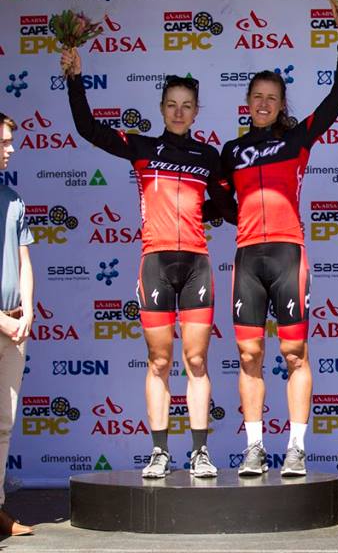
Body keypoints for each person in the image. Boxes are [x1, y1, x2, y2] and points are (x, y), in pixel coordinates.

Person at [63, 50, 235, 479]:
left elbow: (226, 205)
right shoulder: (142, 147)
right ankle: (159, 452)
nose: (179, 112)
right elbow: (88, 129)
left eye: (186, 105)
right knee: (158, 361)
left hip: (196, 264)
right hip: (155, 262)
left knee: (197, 361)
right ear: (161, 108)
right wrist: (74, 79)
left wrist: (209, 212)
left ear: (196, 111)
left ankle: (200, 453)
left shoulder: (208, 156)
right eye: (171, 104)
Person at [219, 4, 338, 476]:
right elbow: (219, 202)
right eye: (257, 96)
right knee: (249, 354)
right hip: (247, 258)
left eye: (272, 97)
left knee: (294, 353)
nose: (263, 103)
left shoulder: (297, 139)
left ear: (281, 104)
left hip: (287, 254)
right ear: (247, 101)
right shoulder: (231, 151)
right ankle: (255, 447)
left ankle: (296, 447)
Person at [0, 113, 33, 535]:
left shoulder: (13, 197)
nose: (10, 148)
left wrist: (27, 311)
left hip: (14, 327)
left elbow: (25, 261)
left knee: (3, 426)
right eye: (3, 142)